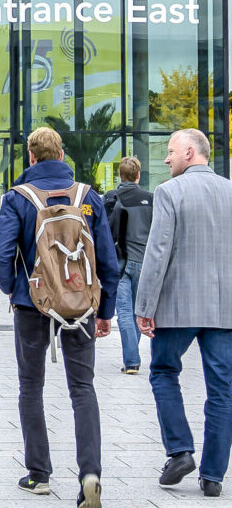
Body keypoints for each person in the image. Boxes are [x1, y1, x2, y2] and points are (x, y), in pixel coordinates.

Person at [0, 125, 119, 508]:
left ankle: (39, 475)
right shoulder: (87, 197)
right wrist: (105, 311)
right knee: (83, 389)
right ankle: (90, 474)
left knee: (31, 386)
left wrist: (15, 288)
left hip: (33, 303)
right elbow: (108, 260)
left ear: (30, 158)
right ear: (61, 155)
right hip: (80, 303)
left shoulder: (18, 197)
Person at [134, 128, 232, 498]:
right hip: (224, 309)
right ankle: (213, 476)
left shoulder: (169, 192)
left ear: (190, 151)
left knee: (162, 371)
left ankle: (179, 451)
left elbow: (157, 253)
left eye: (171, 151)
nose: (166, 158)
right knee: (223, 390)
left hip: (177, 306)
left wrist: (144, 307)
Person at [108, 156, 154, 375]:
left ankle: (132, 361)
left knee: (124, 312)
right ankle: (132, 357)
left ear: (120, 175)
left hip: (120, 263)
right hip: (145, 264)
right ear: (138, 175)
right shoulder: (151, 199)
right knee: (137, 311)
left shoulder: (111, 198)